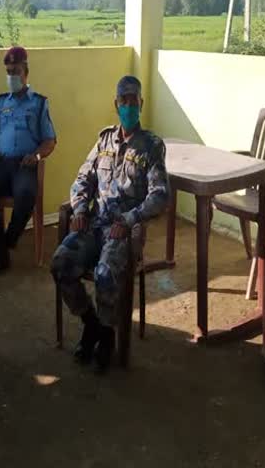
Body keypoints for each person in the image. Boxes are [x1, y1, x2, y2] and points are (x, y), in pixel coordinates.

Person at [51, 76, 169, 373]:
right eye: (124, 100)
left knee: (105, 273)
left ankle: (107, 335)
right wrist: (79, 209)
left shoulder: (152, 146)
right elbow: (82, 180)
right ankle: (92, 324)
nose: (129, 105)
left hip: (125, 231)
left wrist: (130, 220)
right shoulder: (104, 140)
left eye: (134, 100)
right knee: (61, 263)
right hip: (94, 225)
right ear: (116, 105)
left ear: (141, 104)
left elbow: (160, 196)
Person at [0, 46, 57, 278]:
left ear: (26, 73)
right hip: (2, 164)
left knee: (26, 196)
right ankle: (1, 252)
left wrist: (38, 155)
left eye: (16, 71)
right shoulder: (1, 103)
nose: (12, 77)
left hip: (25, 164)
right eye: (9, 72)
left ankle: (2, 247)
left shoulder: (39, 103)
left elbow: (50, 140)